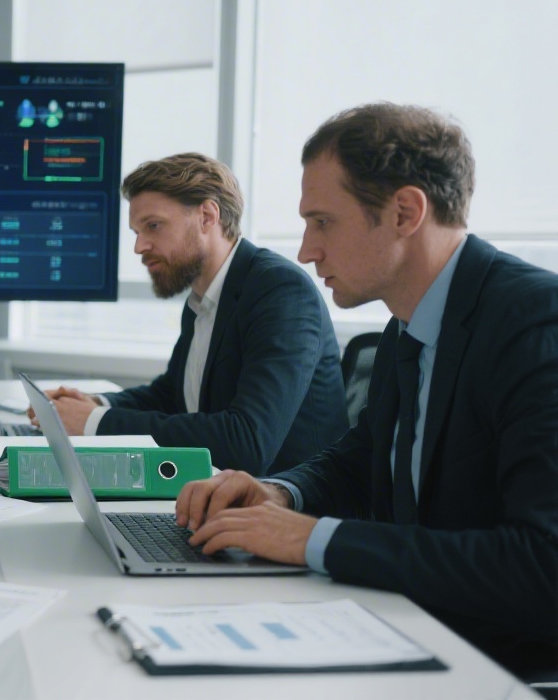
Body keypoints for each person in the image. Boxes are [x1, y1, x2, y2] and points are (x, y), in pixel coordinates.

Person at [176, 103, 558, 676]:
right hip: (402, 625)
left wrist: (313, 539)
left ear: (405, 211)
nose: (306, 250)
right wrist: (279, 494)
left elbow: (542, 567)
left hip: (493, 667)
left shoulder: (535, 324)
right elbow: (362, 459)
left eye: (323, 221)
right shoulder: (409, 323)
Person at [33, 153, 347, 475]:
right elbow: (170, 395)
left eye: (153, 226)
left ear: (207, 217)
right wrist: (94, 403)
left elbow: (247, 443)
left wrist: (95, 423)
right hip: (218, 497)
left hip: (288, 511)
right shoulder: (203, 299)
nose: (140, 246)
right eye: (137, 232)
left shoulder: (279, 291)